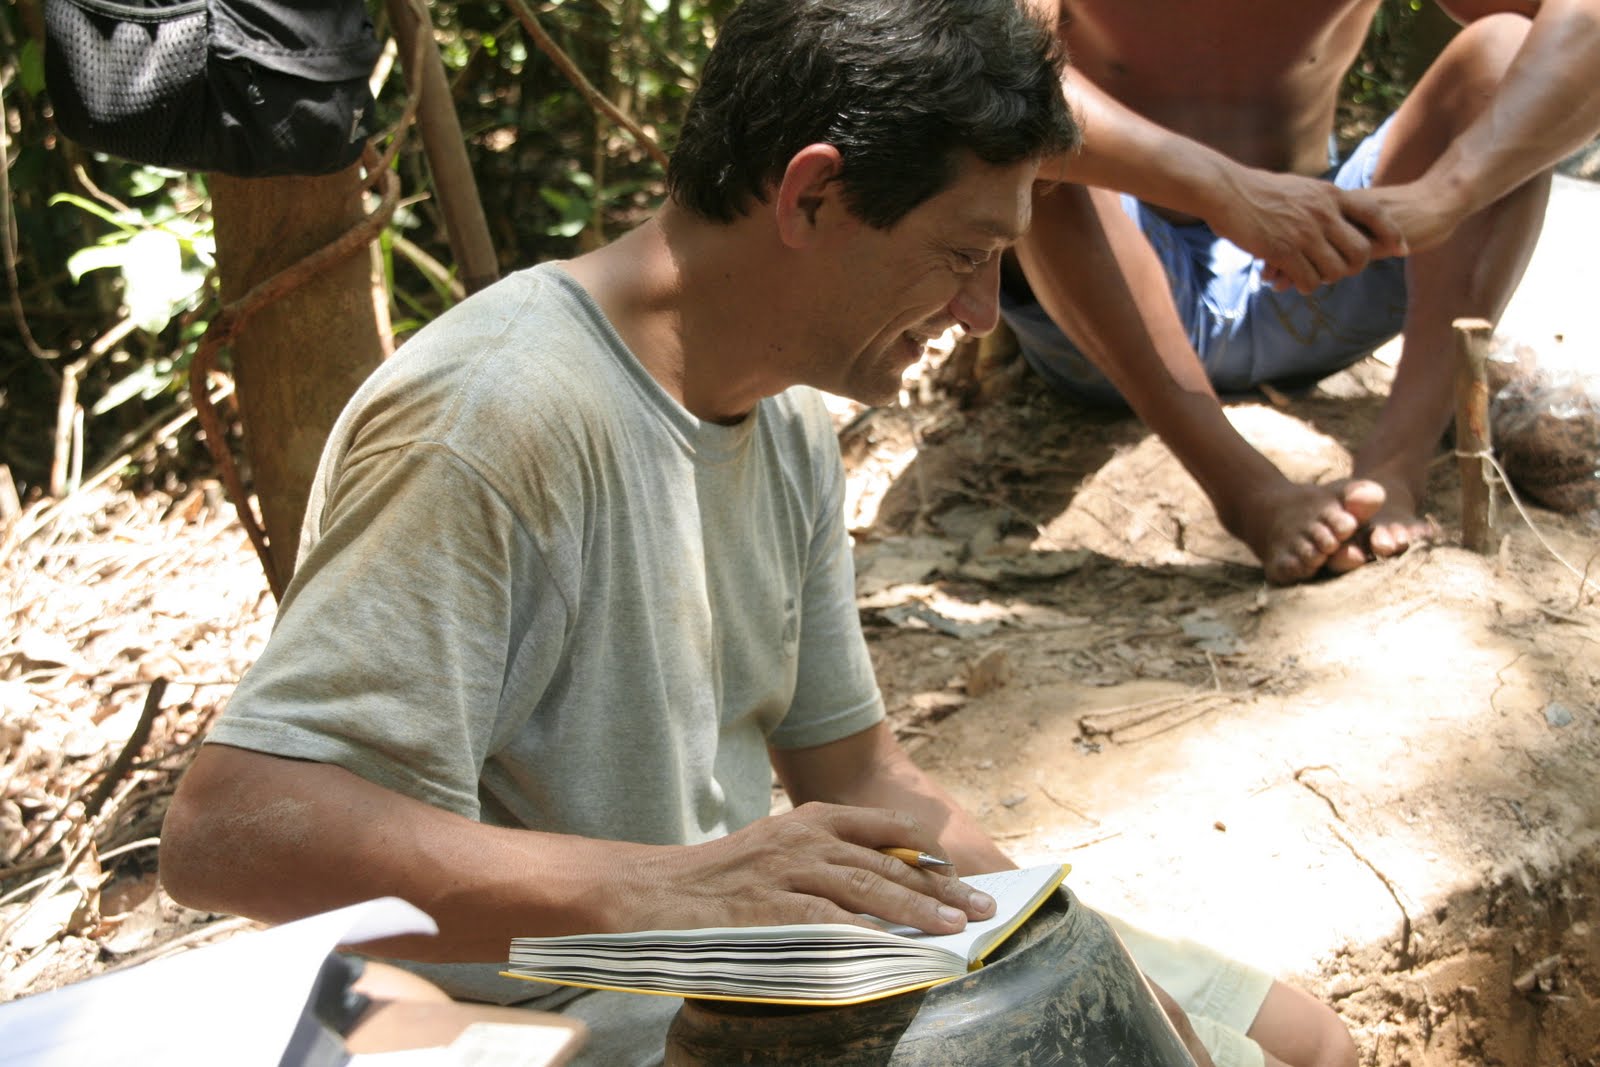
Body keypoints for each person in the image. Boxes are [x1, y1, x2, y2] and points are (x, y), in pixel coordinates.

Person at [158, 2, 1352, 1065]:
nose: (980, 311)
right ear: (811, 194)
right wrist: (675, 887)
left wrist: (1093, 966)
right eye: (962, 254)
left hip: (756, 961)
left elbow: (859, 769)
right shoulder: (493, 418)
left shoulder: (777, 410)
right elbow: (232, 832)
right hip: (574, 1007)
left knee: (1296, 1041)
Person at [1005, 0, 1600, 584]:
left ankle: (1396, 464)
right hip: (1102, 301)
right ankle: (1247, 492)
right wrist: (1225, 191)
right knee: (1035, 125)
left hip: (1322, 263)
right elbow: (991, 73)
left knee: (1502, 54)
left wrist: (1443, 195)